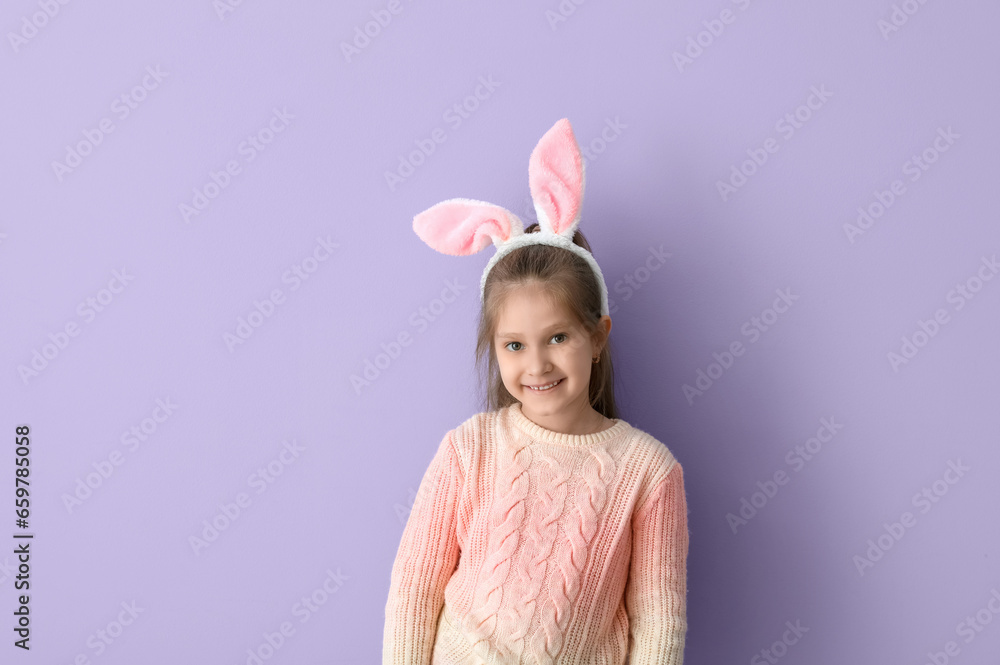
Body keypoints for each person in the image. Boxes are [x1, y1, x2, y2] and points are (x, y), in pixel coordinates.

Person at [383, 118, 689, 665]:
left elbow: (659, 622)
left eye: (558, 337)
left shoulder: (647, 471)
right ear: (494, 348)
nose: (538, 363)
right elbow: (414, 589)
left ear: (597, 336)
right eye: (514, 346)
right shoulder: (468, 449)